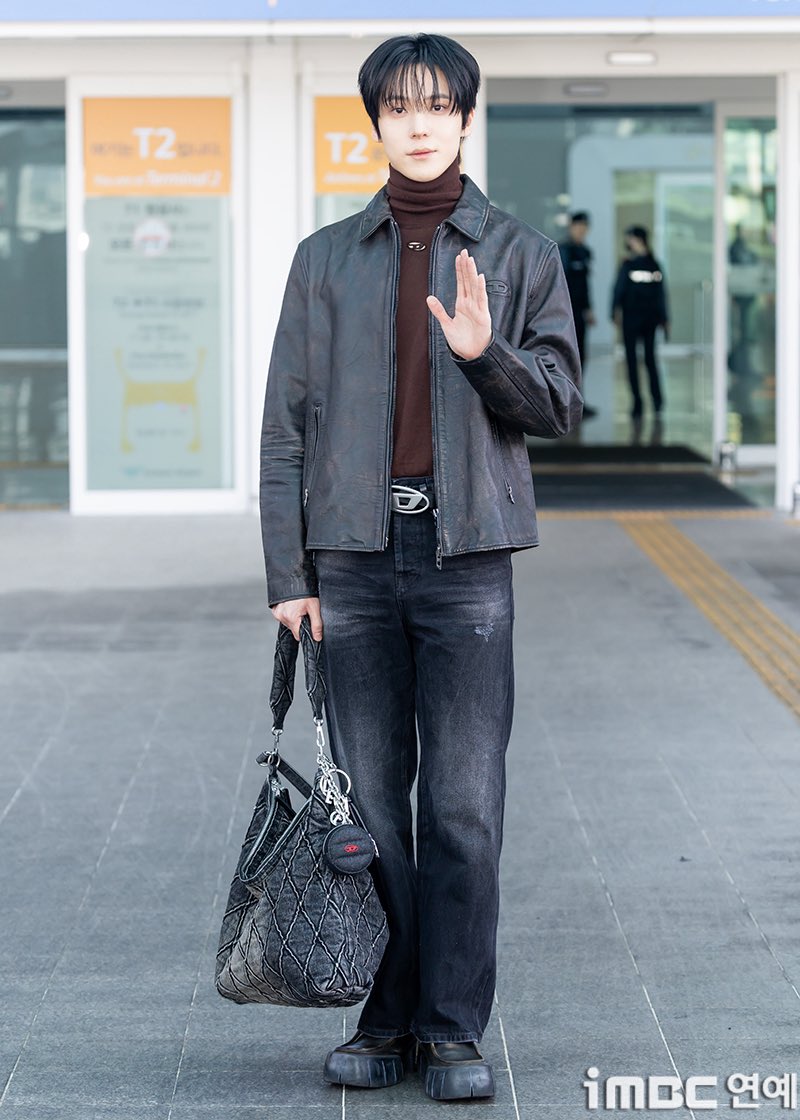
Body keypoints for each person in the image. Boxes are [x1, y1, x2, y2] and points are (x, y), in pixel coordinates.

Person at [259, 32, 582, 1103]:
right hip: (350, 561)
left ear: (464, 117)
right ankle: (385, 1015)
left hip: (465, 560)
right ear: (375, 121)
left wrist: (486, 354)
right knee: (369, 807)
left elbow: (559, 408)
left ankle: (448, 1027)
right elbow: (287, 432)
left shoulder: (518, 254)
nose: (417, 120)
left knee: (461, 805)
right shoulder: (325, 257)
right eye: (398, 104)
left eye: (437, 103)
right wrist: (287, 572)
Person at [611, 224, 669, 419]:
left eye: (631, 239)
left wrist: (664, 318)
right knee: (632, 361)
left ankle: (657, 400)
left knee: (650, 360)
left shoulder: (654, 265)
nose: (629, 242)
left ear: (639, 240)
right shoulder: (628, 264)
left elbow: (661, 294)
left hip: (648, 320)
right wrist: (614, 312)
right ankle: (637, 401)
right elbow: (618, 290)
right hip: (631, 319)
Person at [559, 210, 597, 417]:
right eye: (579, 228)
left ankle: (578, 401)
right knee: (566, 357)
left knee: (581, 357)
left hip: (580, 314)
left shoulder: (585, 252)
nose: (582, 232)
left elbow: (585, 285)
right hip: (565, 314)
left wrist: (589, 309)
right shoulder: (563, 251)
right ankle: (565, 403)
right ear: (572, 227)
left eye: (585, 229)